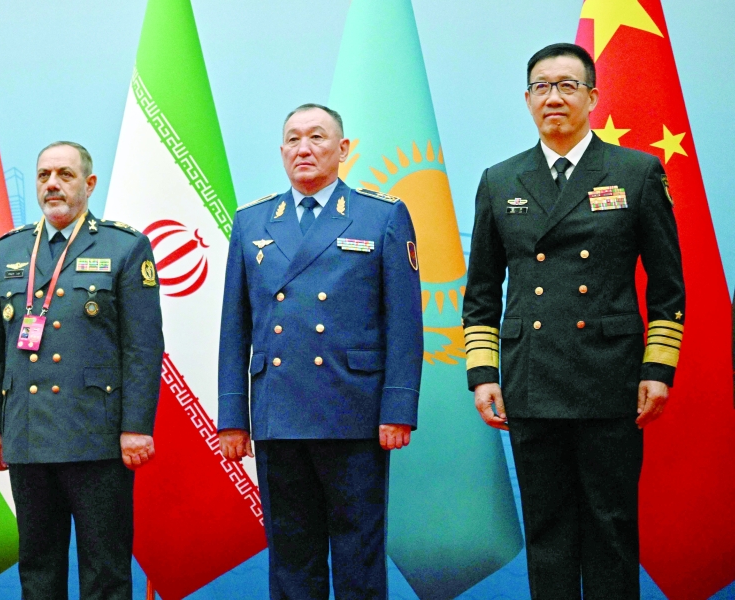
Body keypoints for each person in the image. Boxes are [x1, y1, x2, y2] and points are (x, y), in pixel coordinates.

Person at [463, 43, 684, 598]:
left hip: (609, 377)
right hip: (531, 378)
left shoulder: (635, 172)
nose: (553, 97)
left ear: (592, 96)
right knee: (548, 529)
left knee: (610, 527)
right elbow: (482, 292)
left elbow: (667, 285)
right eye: (541, 86)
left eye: (566, 85)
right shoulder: (500, 180)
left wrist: (657, 368)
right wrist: (484, 373)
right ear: (527, 99)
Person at [217, 104, 423, 600]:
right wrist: (232, 418)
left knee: (359, 557)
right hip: (278, 415)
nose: (303, 149)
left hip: (353, 412)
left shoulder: (382, 216)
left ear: (343, 149)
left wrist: (398, 409)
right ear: (282, 150)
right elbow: (233, 329)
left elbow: (404, 322)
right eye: (292, 139)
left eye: (316, 138)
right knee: (291, 559)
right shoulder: (252, 222)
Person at [0, 141, 163, 600]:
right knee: (38, 568)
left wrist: (136, 426)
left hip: (96, 436)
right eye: (43, 175)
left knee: (105, 568)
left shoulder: (124, 245)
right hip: (27, 432)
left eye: (64, 174)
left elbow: (143, 347)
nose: (52, 184)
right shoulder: (8, 250)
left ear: (89, 183)